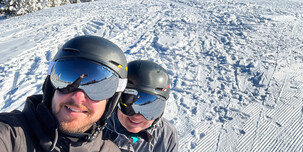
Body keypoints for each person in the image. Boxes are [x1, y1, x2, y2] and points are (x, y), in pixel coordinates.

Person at [0, 35, 128, 151]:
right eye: (66, 79)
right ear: (50, 88)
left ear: (110, 102)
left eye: (97, 89)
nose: (78, 98)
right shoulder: (10, 134)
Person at [104, 60, 178, 152]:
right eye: (129, 106)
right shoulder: (95, 127)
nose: (137, 116)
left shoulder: (166, 134)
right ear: (116, 99)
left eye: (148, 108)